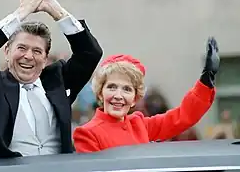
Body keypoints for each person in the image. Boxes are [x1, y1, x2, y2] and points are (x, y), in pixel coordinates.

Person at [0, 0, 102, 160]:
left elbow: (90, 53)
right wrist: (22, 11)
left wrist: (54, 9)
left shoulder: (57, 81)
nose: (28, 56)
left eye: (37, 51)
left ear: (45, 59)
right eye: (22, 48)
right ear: (6, 52)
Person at [73, 37, 219, 153]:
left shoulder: (139, 125)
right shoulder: (87, 134)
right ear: (100, 92)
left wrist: (205, 81)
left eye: (127, 89)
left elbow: (183, 117)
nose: (118, 95)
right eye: (112, 87)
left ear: (134, 99)